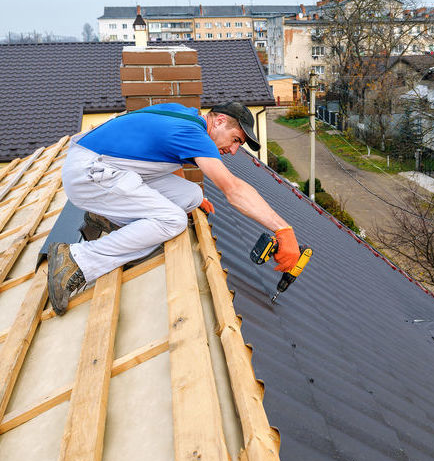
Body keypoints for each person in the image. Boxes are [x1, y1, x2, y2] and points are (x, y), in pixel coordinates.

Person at [48, 101, 300, 315]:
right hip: (89, 174)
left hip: (103, 165)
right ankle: (75, 260)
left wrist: (194, 199)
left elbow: (159, 156)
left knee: (191, 195)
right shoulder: (194, 134)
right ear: (220, 120)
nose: (233, 151)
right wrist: (283, 229)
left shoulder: (185, 115)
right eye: (236, 140)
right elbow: (232, 189)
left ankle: (109, 214)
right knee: (174, 221)